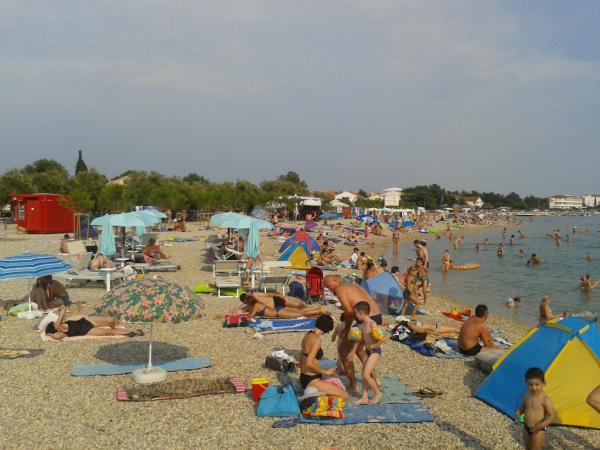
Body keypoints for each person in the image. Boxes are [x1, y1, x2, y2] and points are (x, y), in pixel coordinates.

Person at [323, 275, 381, 395]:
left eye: (328, 285)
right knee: (358, 348)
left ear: (336, 280)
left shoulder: (340, 289)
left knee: (344, 350)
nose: (328, 288)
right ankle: (374, 379)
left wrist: (347, 329)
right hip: (376, 317)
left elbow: (349, 312)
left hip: (366, 320)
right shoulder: (353, 285)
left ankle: (353, 386)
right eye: (326, 287)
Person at [299, 315, 348, 399]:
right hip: (311, 379)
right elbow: (309, 363)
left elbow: (302, 354)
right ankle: (313, 394)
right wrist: (325, 372)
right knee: (345, 395)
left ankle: (314, 392)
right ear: (326, 329)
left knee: (333, 382)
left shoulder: (308, 334)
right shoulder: (316, 341)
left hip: (304, 376)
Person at [347, 301, 386, 404]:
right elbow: (358, 340)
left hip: (375, 351)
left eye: (356, 313)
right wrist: (352, 351)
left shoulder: (372, 324)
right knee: (364, 373)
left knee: (365, 374)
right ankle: (364, 397)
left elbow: (383, 339)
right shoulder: (361, 325)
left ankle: (377, 393)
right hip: (368, 351)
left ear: (361, 313)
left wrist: (374, 346)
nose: (355, 316)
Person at [45, 306, 144, 340]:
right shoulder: (62, 333)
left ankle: (115, 326)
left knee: (111, 321)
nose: (57, 323)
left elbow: (62, 312)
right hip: (87, 330)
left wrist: (61, 311)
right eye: (55, 324)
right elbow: (57, 337)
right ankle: (132, 332)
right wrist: (50, 334)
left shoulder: (63, 322)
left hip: (87, 321)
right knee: (108, 333)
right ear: (55, 329)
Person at [516, 367, 555, 450]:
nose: (534, 387)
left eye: (537, 385)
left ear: (543, 383)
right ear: (526, 383)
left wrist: (541, 425)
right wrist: (518, 415)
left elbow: (551, 416)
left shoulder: (545, 399)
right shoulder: (526, 395)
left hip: (539, 428)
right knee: (527, 448)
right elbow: (523, 407)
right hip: (526, 426)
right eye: (530, 385)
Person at [240, 293, 326, 318]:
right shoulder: (254, 304)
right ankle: (317, 309)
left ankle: (317, 309)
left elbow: (269, 294)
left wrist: (280, 295)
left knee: (300, 308)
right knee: (299, 310)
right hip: (277, 309)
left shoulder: (255, 297)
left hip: (277, 303)